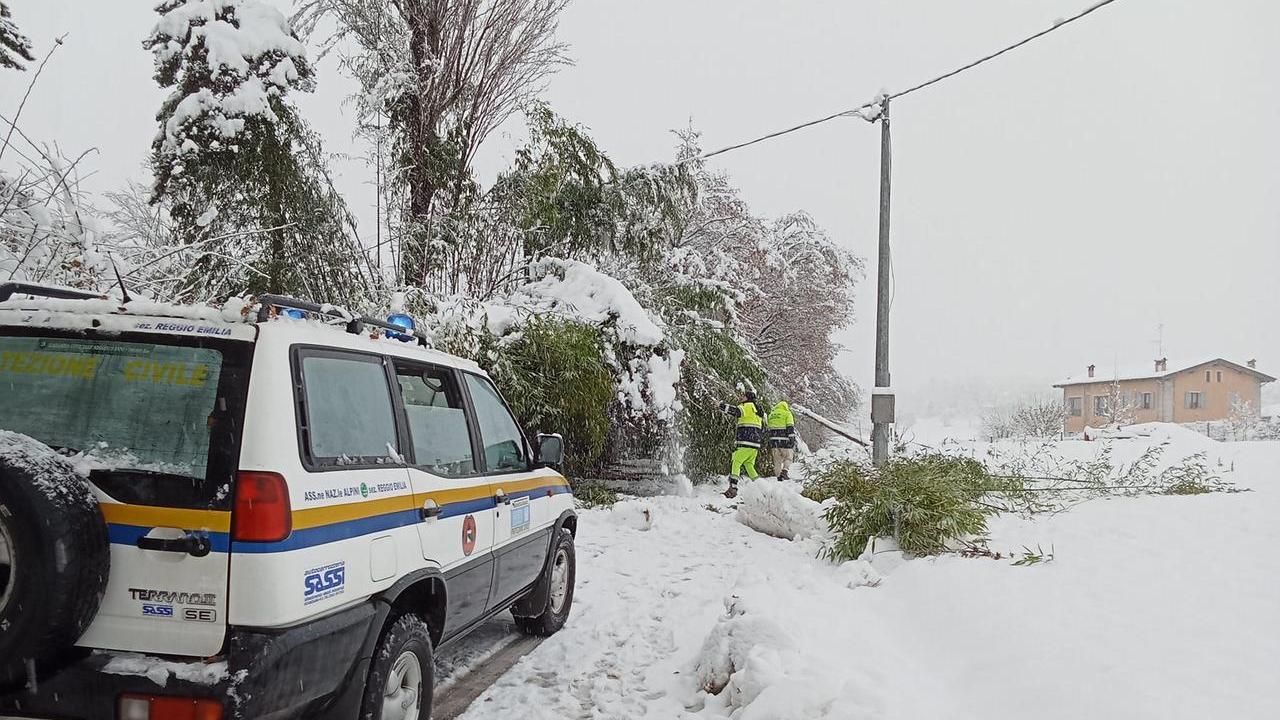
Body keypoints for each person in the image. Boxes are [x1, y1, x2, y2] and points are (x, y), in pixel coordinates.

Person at [718, 390, 765, 498]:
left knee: (736, 461)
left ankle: (733, 488)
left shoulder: (747, 406)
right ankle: (761, 487)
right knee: (749, 465)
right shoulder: (757, 410)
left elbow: (736, 411)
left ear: (748, 398)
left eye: (743, 395)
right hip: (755, 443)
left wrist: (721, 406)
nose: (741, 397)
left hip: (746, 441)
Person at [766, 400, 797, 480]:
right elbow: (790, 427)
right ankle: (784, 472)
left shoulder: (771, 415)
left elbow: (768, 428)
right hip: (785, 441)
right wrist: (792, 439)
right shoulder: (787, 413)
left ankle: (778, 477)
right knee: (788, 457)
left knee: (777, 461)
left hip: (774, 442)